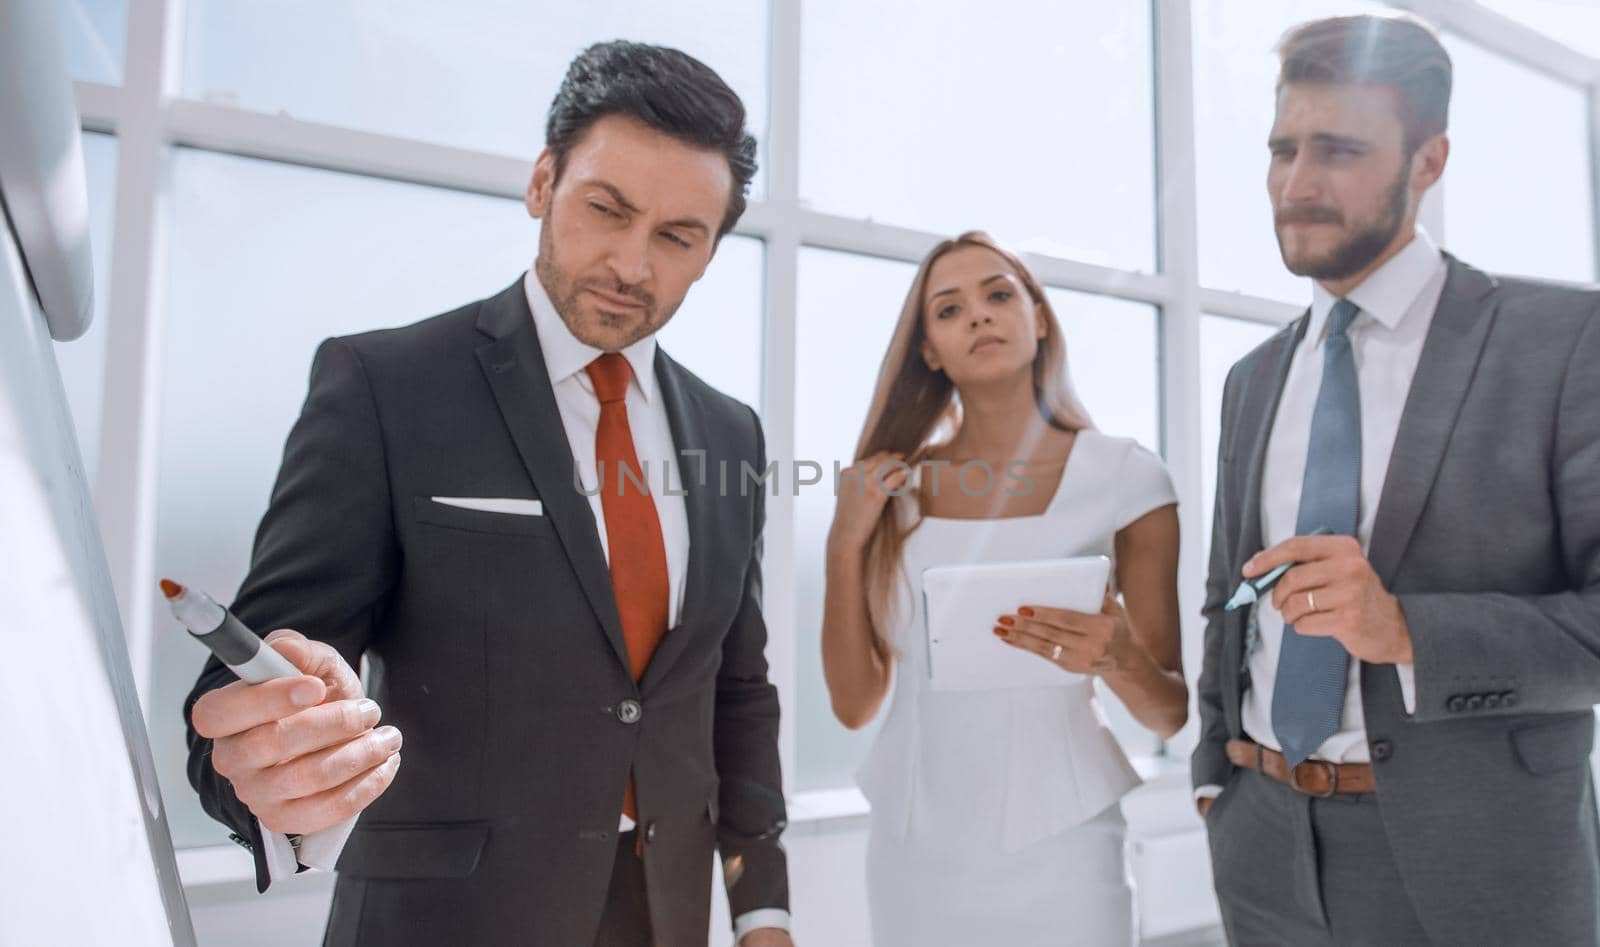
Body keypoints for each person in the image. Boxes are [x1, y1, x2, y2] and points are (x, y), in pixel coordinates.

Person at [182, 41, 793, 947]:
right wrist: (269, 766)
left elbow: (734, 689)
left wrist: (763, 909)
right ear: (543, 183)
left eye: (676, 235)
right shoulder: (384, 385)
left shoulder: (730, 431)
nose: (632, 264)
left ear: (711, 248)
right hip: (445, 921)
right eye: (606, 209)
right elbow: (265, 667)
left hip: (663, 914)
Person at [1195, 13, 1600, 945]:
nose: (1296, 185)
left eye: (1337, 150)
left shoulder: (1560, 345)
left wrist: (1407, 630)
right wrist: (1216, 774)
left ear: (1428, 161)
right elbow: (1229, 592)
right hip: (1264, 845)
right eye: (1283, 148)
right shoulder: (1252, 377)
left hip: (1478, 867)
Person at [821, 230, 1188, 945]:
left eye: (998, 294)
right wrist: (844, 539)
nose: (980, 316)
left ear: (1039, 317)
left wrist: (1118, 657)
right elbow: (855, 702)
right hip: (914, 857)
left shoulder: (1127, 476)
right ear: (928, 348)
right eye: (949, 309)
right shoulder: (891, 489)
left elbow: (1168, 712)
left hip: (1068, 851)